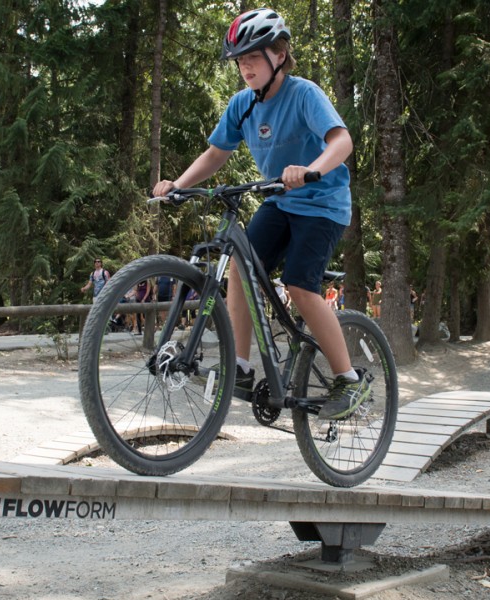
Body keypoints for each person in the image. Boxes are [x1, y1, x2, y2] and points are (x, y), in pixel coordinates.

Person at [153, 8, 369, 419]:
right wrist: (178, 184)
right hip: (279, 200)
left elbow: (342, 141)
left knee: (301, 287)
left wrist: (312, 171)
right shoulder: (242, 105)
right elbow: (216, 152)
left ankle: (348, 380)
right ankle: (242, 366)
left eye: (252, 57)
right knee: (241, 264)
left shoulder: (304, 94)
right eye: (239, 60)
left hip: (323, 204)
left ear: (280, 55)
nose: (244, 67)